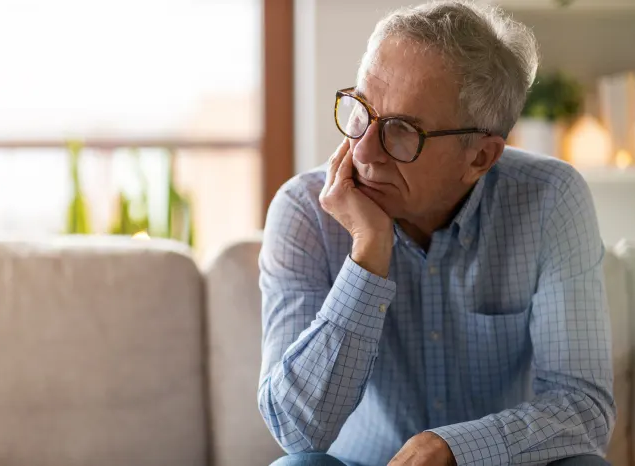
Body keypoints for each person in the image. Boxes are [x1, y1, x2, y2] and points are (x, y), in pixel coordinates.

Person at [258, 1, 615, 465]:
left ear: (480, 158)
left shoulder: (551, 198)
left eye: (402, 131)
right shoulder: (304, 211)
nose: (363, 150)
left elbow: (584, 408)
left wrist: (453, 449)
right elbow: (296, 430)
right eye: (361, 109)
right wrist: (368, 255)